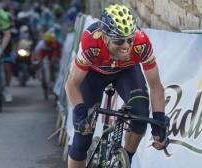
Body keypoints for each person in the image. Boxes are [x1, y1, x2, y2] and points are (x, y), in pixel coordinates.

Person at [64, 4, 167, 168]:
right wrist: (80, 111)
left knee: (140, 113)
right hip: (93, 75)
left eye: (129, 39)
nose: (126, 46)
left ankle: (125, 160)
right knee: (82, 139)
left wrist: (159, 120)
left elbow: (156, 86)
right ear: (105, 37)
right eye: (119, 40)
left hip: (126, 72)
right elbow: (72, 84)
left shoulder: (141, 42)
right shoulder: (91, 41)